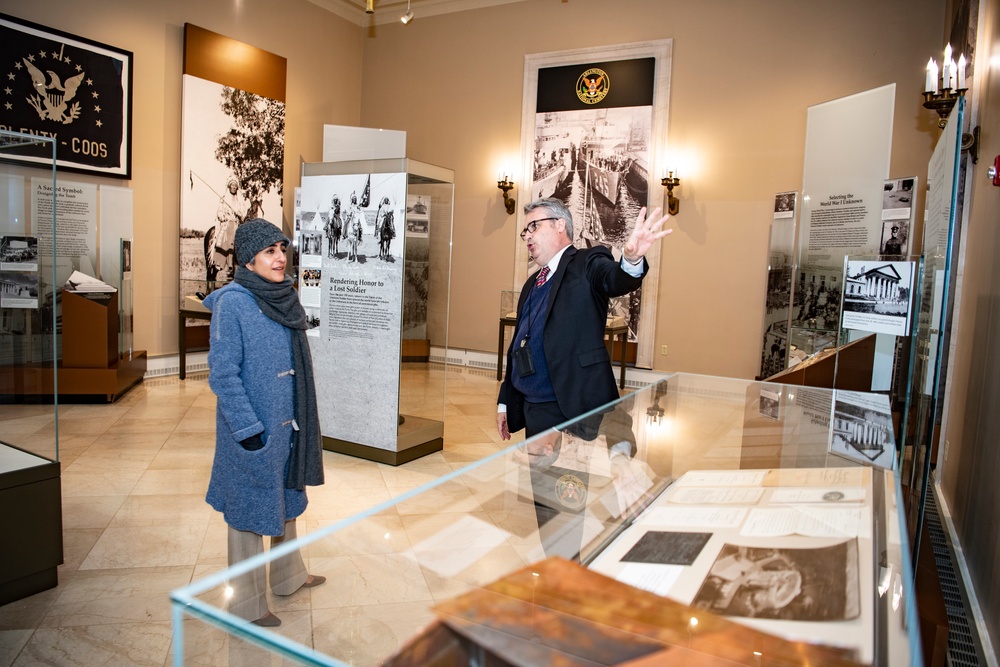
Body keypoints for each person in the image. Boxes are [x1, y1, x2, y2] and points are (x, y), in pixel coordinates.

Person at [202, 218, 326, 628]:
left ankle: (289, 577)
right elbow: (223, 374)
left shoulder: (283, 296)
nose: (279, 258)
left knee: (285, 500)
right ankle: (246, 608)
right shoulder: (232, 302)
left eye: (281, 249)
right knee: (248, 513)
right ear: (248, 259)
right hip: (254, 429)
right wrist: (247, 429)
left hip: (287, 424)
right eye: (269, 251)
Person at [497, 197, 672, 440]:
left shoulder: (587, 262)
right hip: (533, 408)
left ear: (560, 225)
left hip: (573, 407)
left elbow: (615, 279)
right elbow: (517, 345)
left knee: (568, 479)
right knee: (538, 477)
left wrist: (631, 261)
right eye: (525, 231)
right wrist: (505, 402)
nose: (527, 235)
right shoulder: (531, 283)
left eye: (533, 226)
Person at [212, 175, 249, 281]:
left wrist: (240, 214)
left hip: (237, 224)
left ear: (237, 187)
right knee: (228, 234)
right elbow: (219, 212)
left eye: (235, 185)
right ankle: (222, 261)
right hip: (227, 223)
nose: (233, 187)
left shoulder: (240, 202)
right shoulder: (224, 199)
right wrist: (224, 216)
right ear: (229, 186)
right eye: (232, 185)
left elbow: (243, 214)